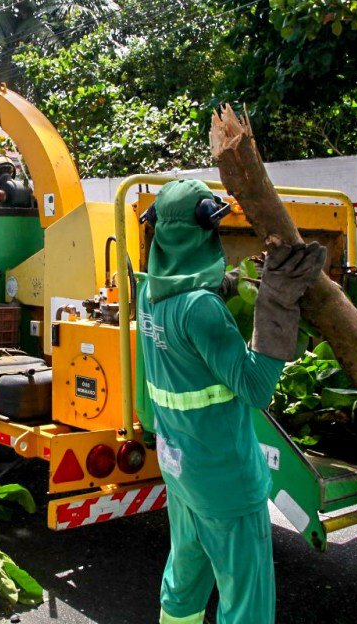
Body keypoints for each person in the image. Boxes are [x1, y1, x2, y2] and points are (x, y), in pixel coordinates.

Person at [135, 180, 326, 624]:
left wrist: (230, 284)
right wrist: (276, 302)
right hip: (225, 476)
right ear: (205, 229)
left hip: (181, 467)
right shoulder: (201, 308)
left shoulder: (149, 293)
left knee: (186, 576)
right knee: (246, 599)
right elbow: (256, 388)